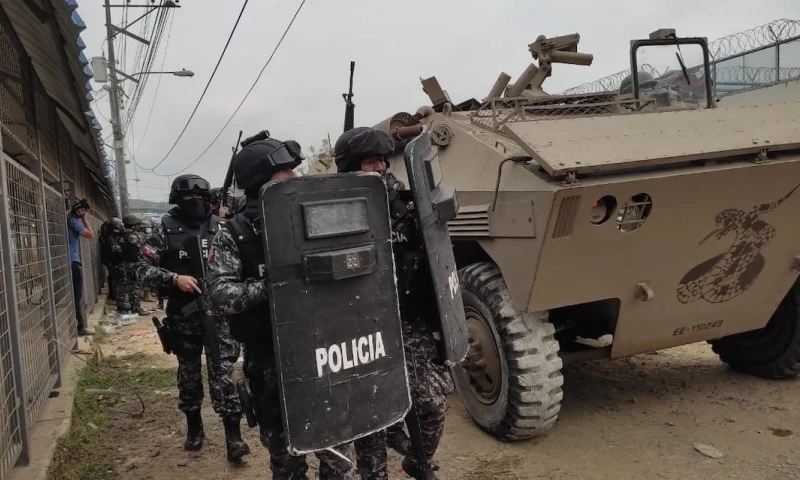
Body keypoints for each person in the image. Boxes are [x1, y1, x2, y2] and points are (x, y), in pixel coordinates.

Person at [207, 132, 357, 479]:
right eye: (285, 171)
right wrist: (273, 287)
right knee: (288, 461)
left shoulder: (312, 214)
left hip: (326, 354)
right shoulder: (234, 233)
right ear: (262, 181)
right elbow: (221, 294)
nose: (294, 176)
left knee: (339, 456)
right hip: (271, 362)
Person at [334, 126, 452, 480]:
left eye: (384, 161)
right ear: (352, 166)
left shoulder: (406, 202)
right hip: (359, 330)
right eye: (372, 162)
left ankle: (416, 460)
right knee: (370, 417)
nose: (382, 168)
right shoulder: (332, 210)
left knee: (431, 403)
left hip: (407, 321)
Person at [136, 175, 249, 462]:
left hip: (220, 317)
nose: (194, 201)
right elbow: (140, 267)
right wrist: (173, 278)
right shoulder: (164, 228)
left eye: (198, 197)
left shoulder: (222, 227)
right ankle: (194, 428)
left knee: (225, 375)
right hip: (184, 315)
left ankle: (233, 437)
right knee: (188, 375)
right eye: (187, 198)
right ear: (177, 199)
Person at [67, 199, 95, 336]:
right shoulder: (73, 221)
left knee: (73, 296)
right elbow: (90, 235)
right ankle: (80, 327)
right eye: (83, 211)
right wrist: (84, 219)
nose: (84, 213)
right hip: (73, 262)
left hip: (68, 262)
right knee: (77, 296)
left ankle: (77, 325)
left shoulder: (68, 220)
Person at [117, 215, 148, 315]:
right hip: (133, 264)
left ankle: (122, 305)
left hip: (123, 263)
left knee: (125, 285)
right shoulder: (132, 236)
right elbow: (141, 246)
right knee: (135, 285)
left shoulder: (120, 235)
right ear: (133, 225)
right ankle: (136, 308)